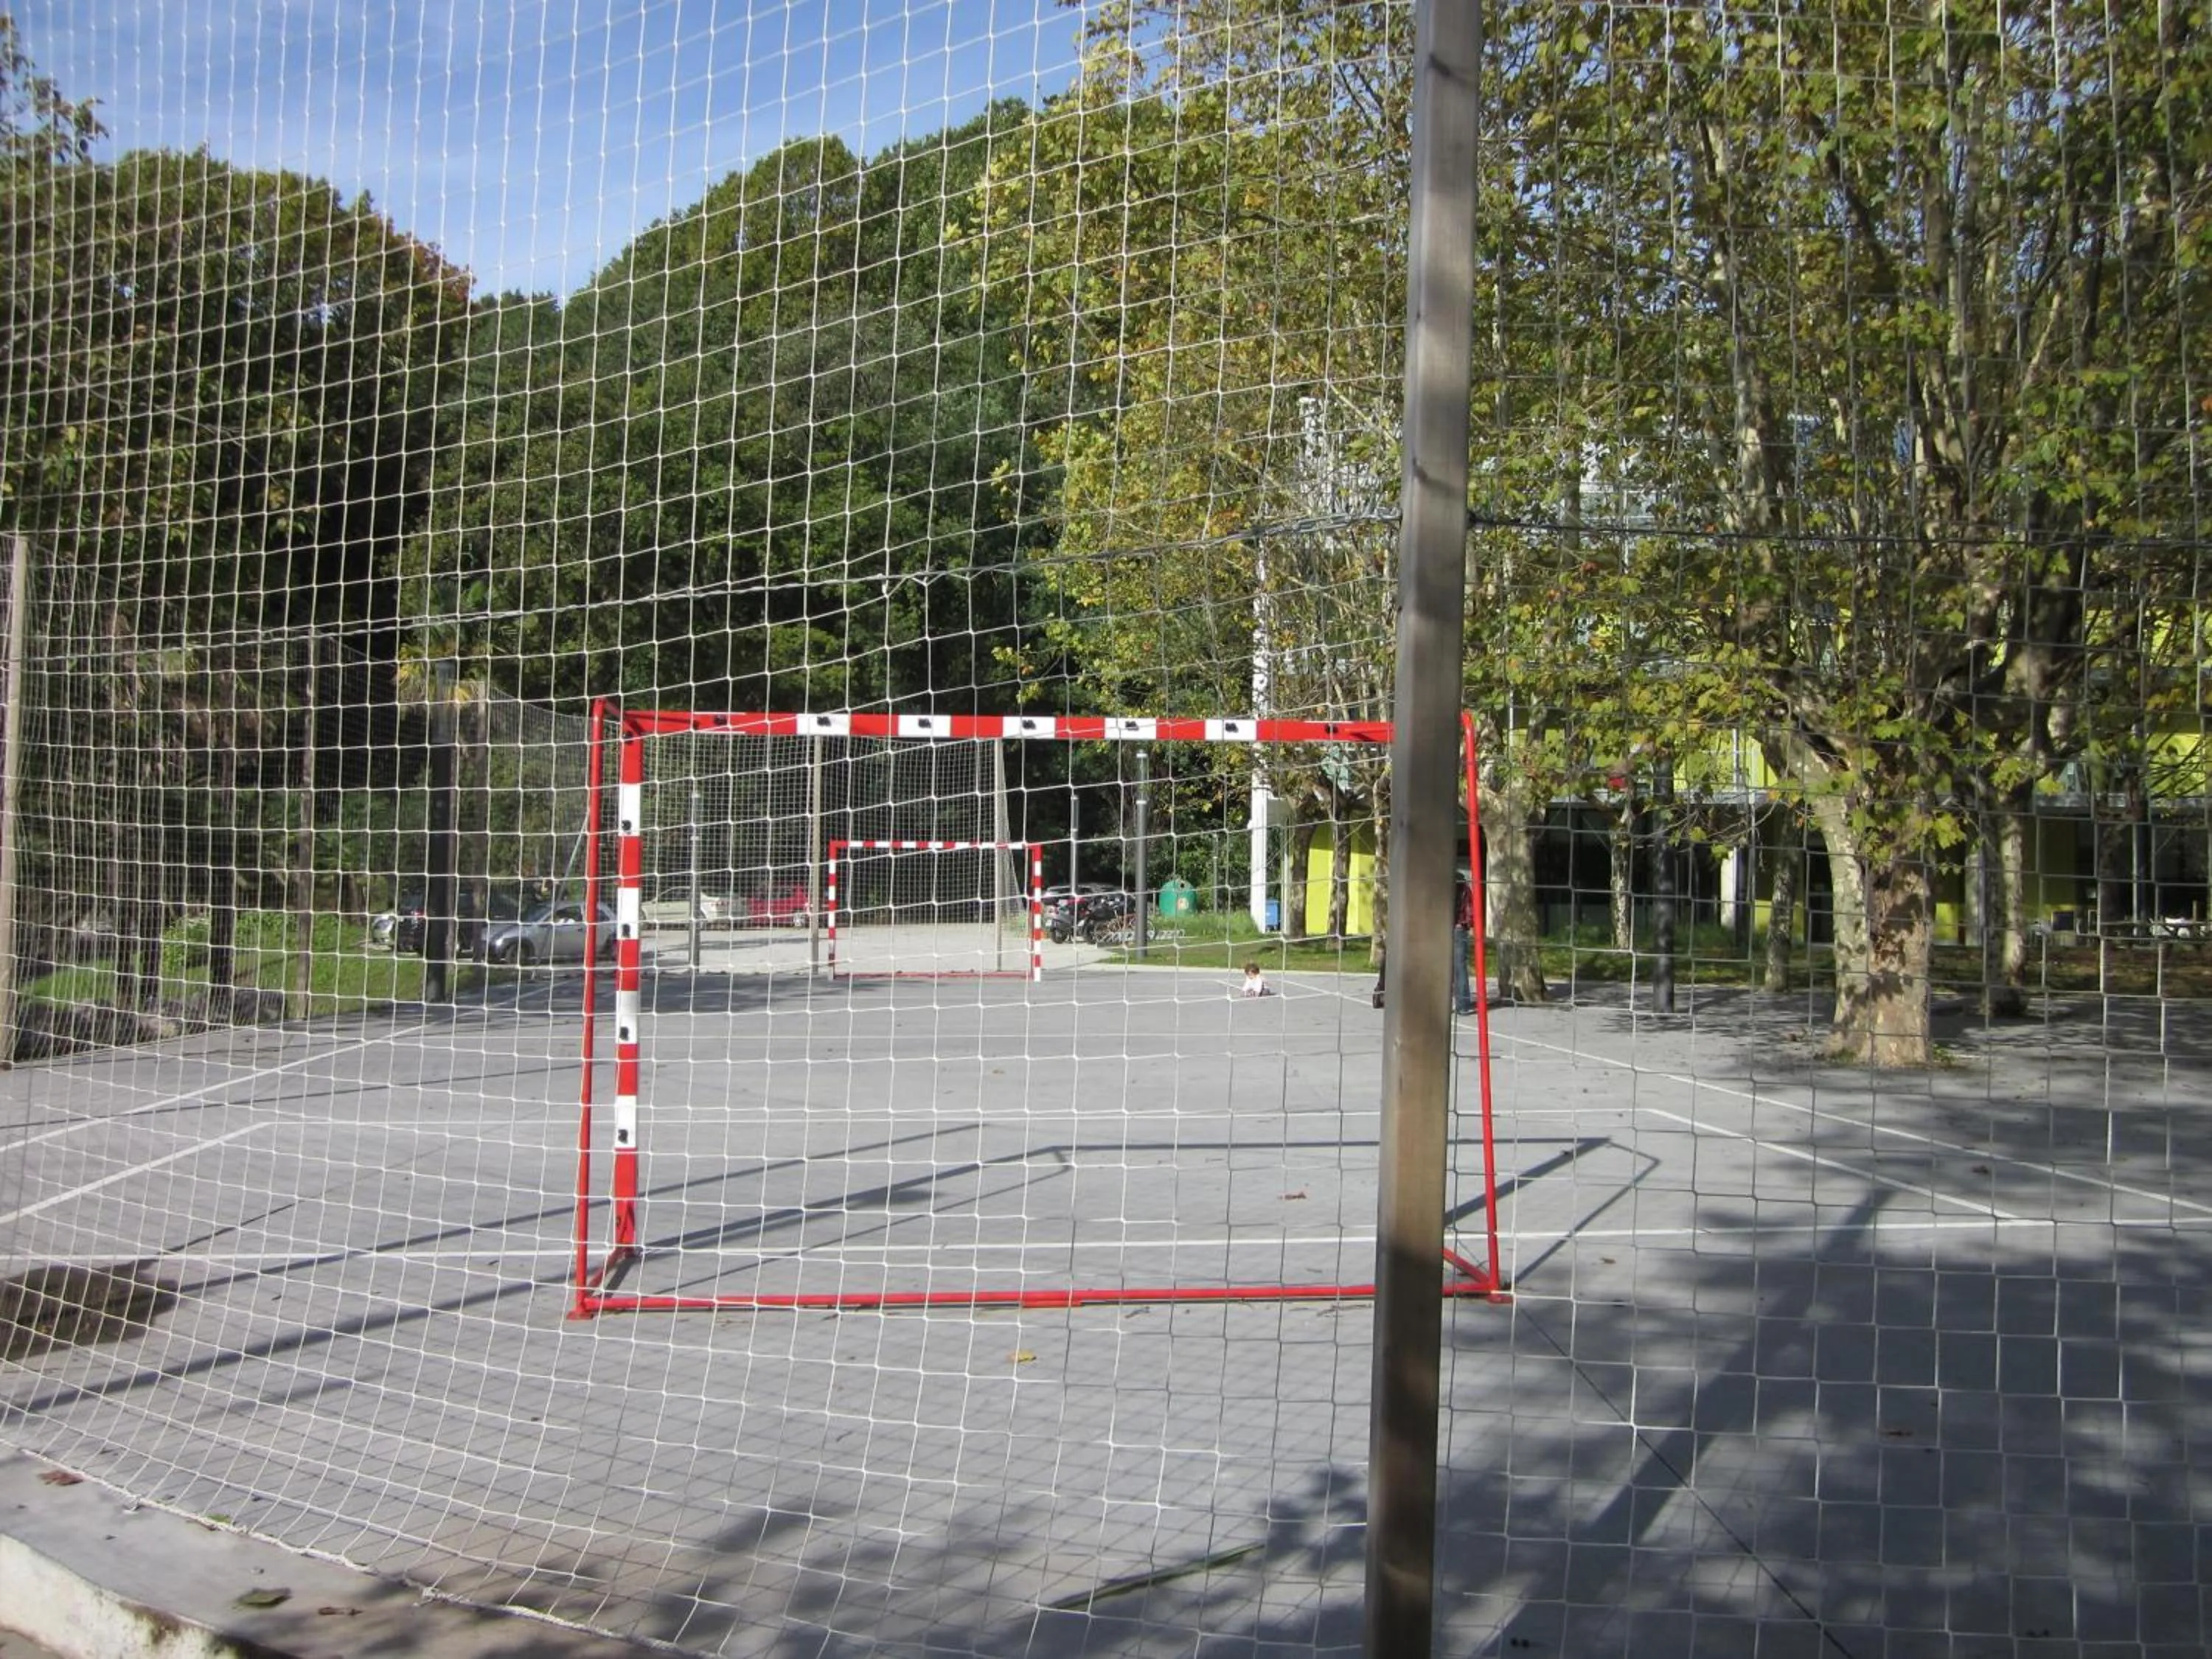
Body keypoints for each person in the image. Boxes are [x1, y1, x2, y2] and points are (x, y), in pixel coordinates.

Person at [1453, 874, 1475, 1015]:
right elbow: (1470, 909)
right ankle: (1463, 1004)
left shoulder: (1439, 883)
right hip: (1459, 927)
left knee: (1443, 966)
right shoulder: (1463, 885)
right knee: (1460, 966)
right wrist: (1465, 924)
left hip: (1443, 927)